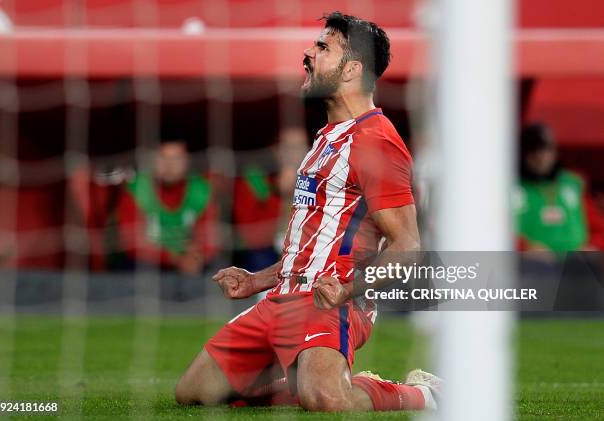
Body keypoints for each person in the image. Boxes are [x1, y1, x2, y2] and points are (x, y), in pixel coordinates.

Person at [175, 12, 441, 412]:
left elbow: (408, 245)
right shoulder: (325, 138)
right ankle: (315, 379)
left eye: (322, 47)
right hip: (283, 295)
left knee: (327, 399)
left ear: (352, 69)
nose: (308, 53)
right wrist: (256, 281)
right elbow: (309, 243)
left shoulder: (376, 142)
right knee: (195, 393)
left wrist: (348, 291)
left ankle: (424, 394)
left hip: (330, 304)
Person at [117, 136, 218, 274]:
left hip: (191, 264)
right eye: (163, 158)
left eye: (176, 158)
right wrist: (174, 258)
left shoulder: (201, 190)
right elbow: (131, 243)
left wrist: (197, 256)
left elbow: (210, 239)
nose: (169, 165)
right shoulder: (136, 189)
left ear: (187, 160)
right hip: (147, 266)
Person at [515, 123, 604, 255]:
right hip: (528, 267)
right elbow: (491, 233)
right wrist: (524, 247)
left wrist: (592, 247)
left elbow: (599, 230)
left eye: (546, 150)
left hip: (576, 268)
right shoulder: (508, 187)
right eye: (533, 150)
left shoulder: (573, 185)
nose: (541, 157)